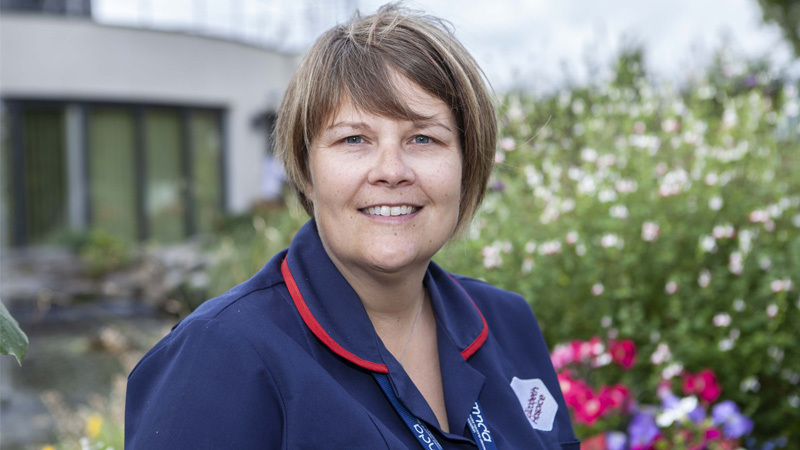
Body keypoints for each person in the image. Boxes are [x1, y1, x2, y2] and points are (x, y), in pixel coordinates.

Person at [125, 5, 579, 449]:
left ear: (467, 162)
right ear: (304, 169)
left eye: (423, 138)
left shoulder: (508, 323)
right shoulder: (222, 354)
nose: (391, 170)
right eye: (354, 139)